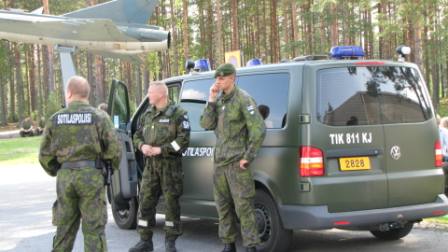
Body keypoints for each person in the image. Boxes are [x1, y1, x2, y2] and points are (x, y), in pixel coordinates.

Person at [39, 76, 121, 252]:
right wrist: (105, 169)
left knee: (64, 229)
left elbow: (44, 155)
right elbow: (115, 150)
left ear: (69, 93)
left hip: (65, 178)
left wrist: (59, 170)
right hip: (92, 176)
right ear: (87, 94)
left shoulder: (55, 119)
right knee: (93, 231)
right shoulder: (100, 117)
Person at [200, 63, 266, 252]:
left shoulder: (243, 99)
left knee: (243, 207)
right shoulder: (219, 101)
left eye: (222, 78)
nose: (218, 82)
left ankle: (251, 246)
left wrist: (248, 157)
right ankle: (228, 245)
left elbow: (258, 129)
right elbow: (206, 123)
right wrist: (211, 99)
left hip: (237, 163)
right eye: (216, 78)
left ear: (232, 78)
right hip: (220, 163)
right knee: (223, 207)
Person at [130, 81, 190, 252]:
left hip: (171, 167)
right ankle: (145, 240)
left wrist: (161, 150)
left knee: (171, 204)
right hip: (151, 167)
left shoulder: (178, 113)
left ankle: (170, 242)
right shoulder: (147, 114)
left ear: (161, 94)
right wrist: (142, 146)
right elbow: (137, 135)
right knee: (145, 201)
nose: (148, 95)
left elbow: (183, 142)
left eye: (150, 92)